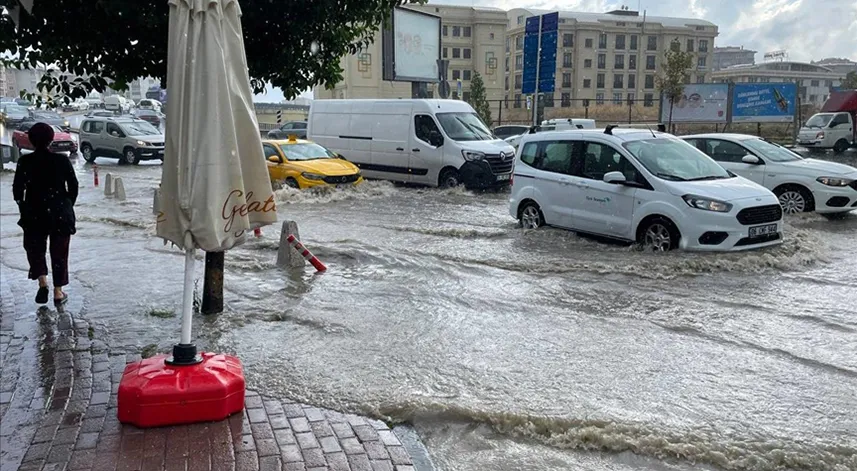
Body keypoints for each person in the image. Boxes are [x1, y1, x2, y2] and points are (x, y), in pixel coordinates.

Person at [12, 122, 78, 307]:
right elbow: (73, 186)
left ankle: (42, 282)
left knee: (35, 249)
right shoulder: (62, 161)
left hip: (34, 212)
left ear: (31, 141)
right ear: (51, 139)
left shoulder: (25, 162)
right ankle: (58, 292)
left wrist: (22, 206)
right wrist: (67, 204)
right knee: (60, 253)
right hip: (60, 213)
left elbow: (18, 188)